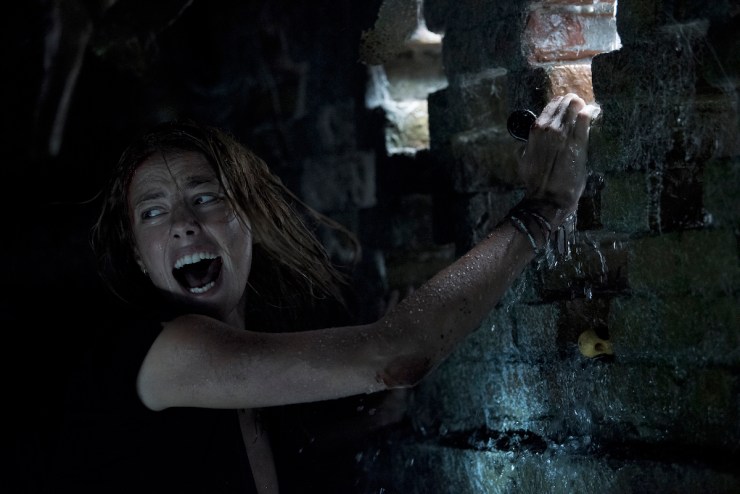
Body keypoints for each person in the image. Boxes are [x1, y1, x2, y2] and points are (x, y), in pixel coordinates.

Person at [46, 93, 597, 493]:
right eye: (153, 212)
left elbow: (278, 451)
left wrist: (376, 417)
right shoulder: (169, 353)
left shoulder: (233, 371)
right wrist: (543, 208)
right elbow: (396, 356)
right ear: (137, 255)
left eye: (205, 198)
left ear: (249, 217)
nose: (183, 224)